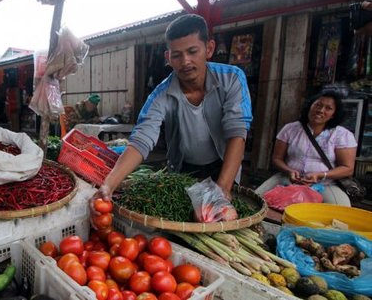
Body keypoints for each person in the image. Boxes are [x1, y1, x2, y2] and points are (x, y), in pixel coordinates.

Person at [91, 14, 252, 214]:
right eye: (177, 55)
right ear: (168, 58)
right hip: (184, 171)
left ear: (209, 49)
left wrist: (222, 188)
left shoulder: (232, 79)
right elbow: (141, 140)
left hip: (224, 167)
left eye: (193, 51)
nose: (185, 61)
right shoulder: (161, 95)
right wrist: (109, 185)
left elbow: (237, 132)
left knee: (221, 218)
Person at [255, 90, 356, 206]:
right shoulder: (290, 129)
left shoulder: (342, 135)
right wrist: (290, 171)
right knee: (255, 200)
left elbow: (347, 168)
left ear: (334, 114)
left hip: (325, 184)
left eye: (328, 108)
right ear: (310, 106)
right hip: (287, 179)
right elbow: (277, 158)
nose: (321, 110)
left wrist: (321, 175)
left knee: (342, 209)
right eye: (317, 105)